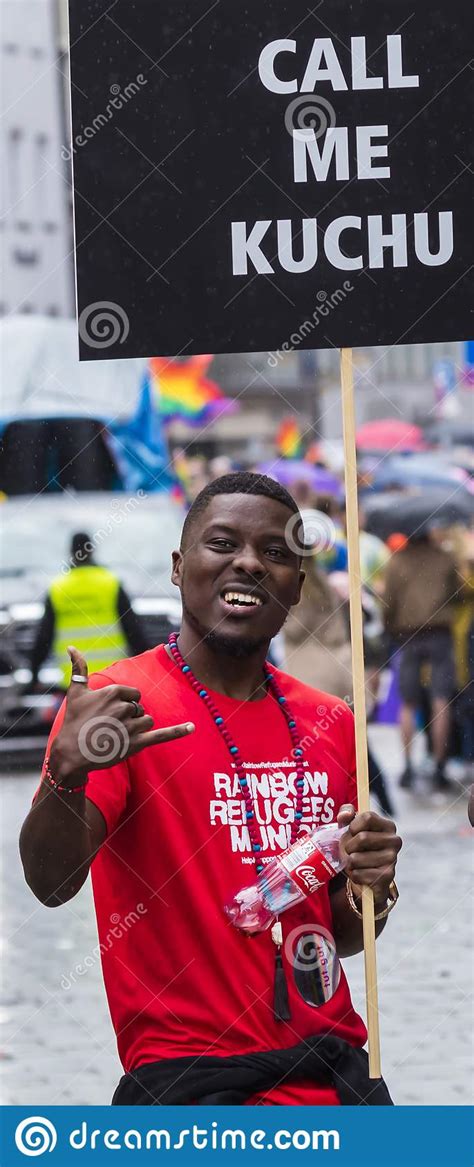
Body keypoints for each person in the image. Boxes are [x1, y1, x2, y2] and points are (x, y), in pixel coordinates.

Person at [20, 474, 401, 1106]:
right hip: (194, 1093)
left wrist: (374, 884)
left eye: (276, 553)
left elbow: (342, 932)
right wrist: (66, 775)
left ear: (297, 586)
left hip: (334, 1078)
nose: (249, 563)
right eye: (222, 544)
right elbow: (51, 883)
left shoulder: (331, 723)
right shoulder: (120, 708)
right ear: (178, 567)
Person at [383, 531, 459, 792]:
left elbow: (388, 603)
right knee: (441, 700)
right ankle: (440, 766)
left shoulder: (396, 562)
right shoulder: (445, 558)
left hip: (408, 635)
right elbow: (458, 592)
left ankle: (407, 767)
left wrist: (389, 628)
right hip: (440, 633)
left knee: (407, 702)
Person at [29, 532, 147, 689]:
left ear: (71, 552)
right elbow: (133, 631)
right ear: (91, 550)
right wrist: (148, 670)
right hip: (111, 679)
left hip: (75, 682)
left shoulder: (58, 588)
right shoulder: (110, 583)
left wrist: (34, 674)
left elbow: (44, 637)